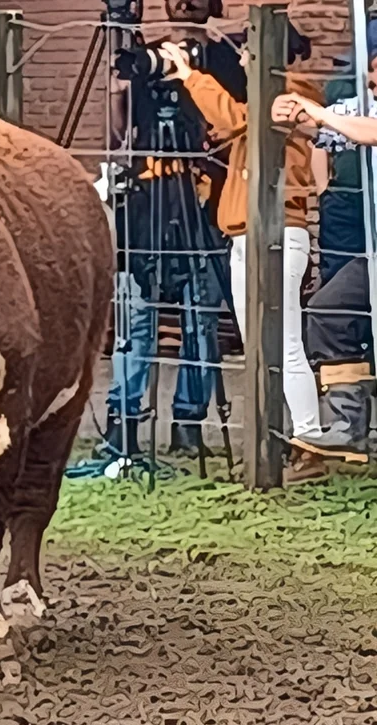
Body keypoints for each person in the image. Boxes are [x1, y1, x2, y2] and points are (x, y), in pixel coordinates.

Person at [161, 32, 365, 483]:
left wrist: (191, 76)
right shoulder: (267, 101)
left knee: (283, 341)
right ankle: (276, 440)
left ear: (271, 54)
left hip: (275, 231)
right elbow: (234, 124)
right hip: (249, 233)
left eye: (249, 52)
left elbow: (234, 116)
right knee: (260, 342)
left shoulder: (288, 95)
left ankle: (307, 441)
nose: (243, 61)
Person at [96, 0, 246, 463]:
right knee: (137, 316)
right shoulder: (146, 54)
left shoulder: (225, 59)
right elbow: (120, 133)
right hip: (147, 198)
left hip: (199, 198)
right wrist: (119, 87)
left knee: (200, 317)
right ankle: (123, 424)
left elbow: (234, 126)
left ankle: (188, 423)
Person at [272, 38, 377, 474]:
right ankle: (349, 425)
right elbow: (330, 132)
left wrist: (316, 111)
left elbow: (368, 131)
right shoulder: (362, 105)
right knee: (330, 309)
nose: (371, 81)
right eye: (370, 73)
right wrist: (294, 117)